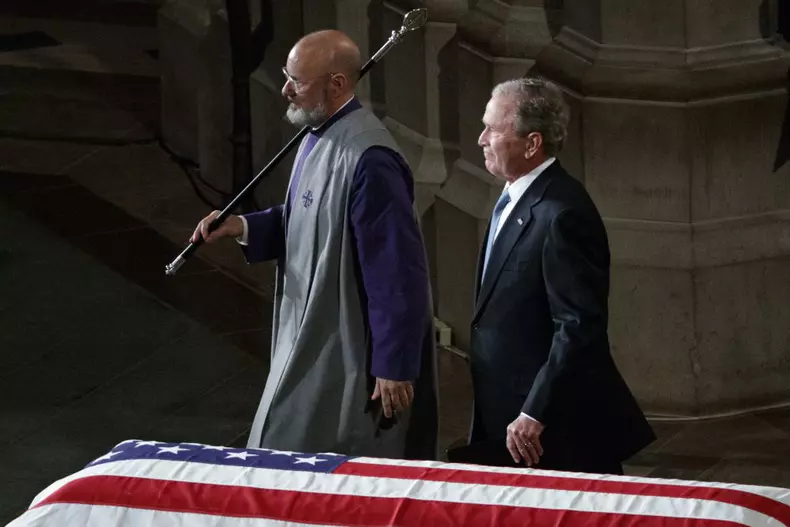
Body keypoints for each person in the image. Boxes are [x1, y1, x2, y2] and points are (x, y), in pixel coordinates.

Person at [190, 30, 437, 459]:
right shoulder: (315, 134)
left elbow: (395, 270)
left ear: (337, 84)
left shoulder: (370, 159)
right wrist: (242, 226)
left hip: (347, 344)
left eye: (297, 81)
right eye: (287, 76)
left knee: (322, 455)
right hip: (308, 330)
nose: (285, 89)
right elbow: (311, 219)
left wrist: (393, 365)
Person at [452, 77, 655, 474]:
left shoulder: (562, 212)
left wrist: (534, 411)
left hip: (546, 427)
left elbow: (579, 326)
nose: (480, 139)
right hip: (503, 411)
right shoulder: (517, 195)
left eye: (493, 129)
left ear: (532, 144)